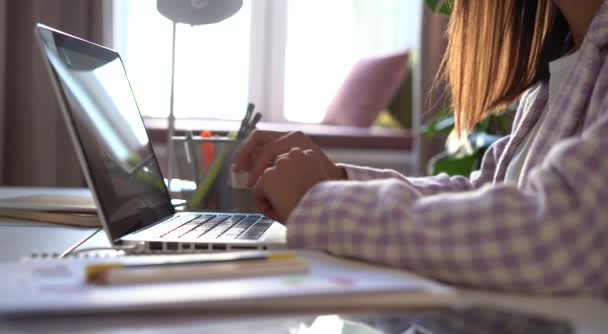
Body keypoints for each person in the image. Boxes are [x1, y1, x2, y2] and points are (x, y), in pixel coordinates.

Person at [232, 0, 608, 295]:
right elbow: (489, 192)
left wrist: (321, 202)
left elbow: (560, 235)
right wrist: (333, 180)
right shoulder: (559, 73)